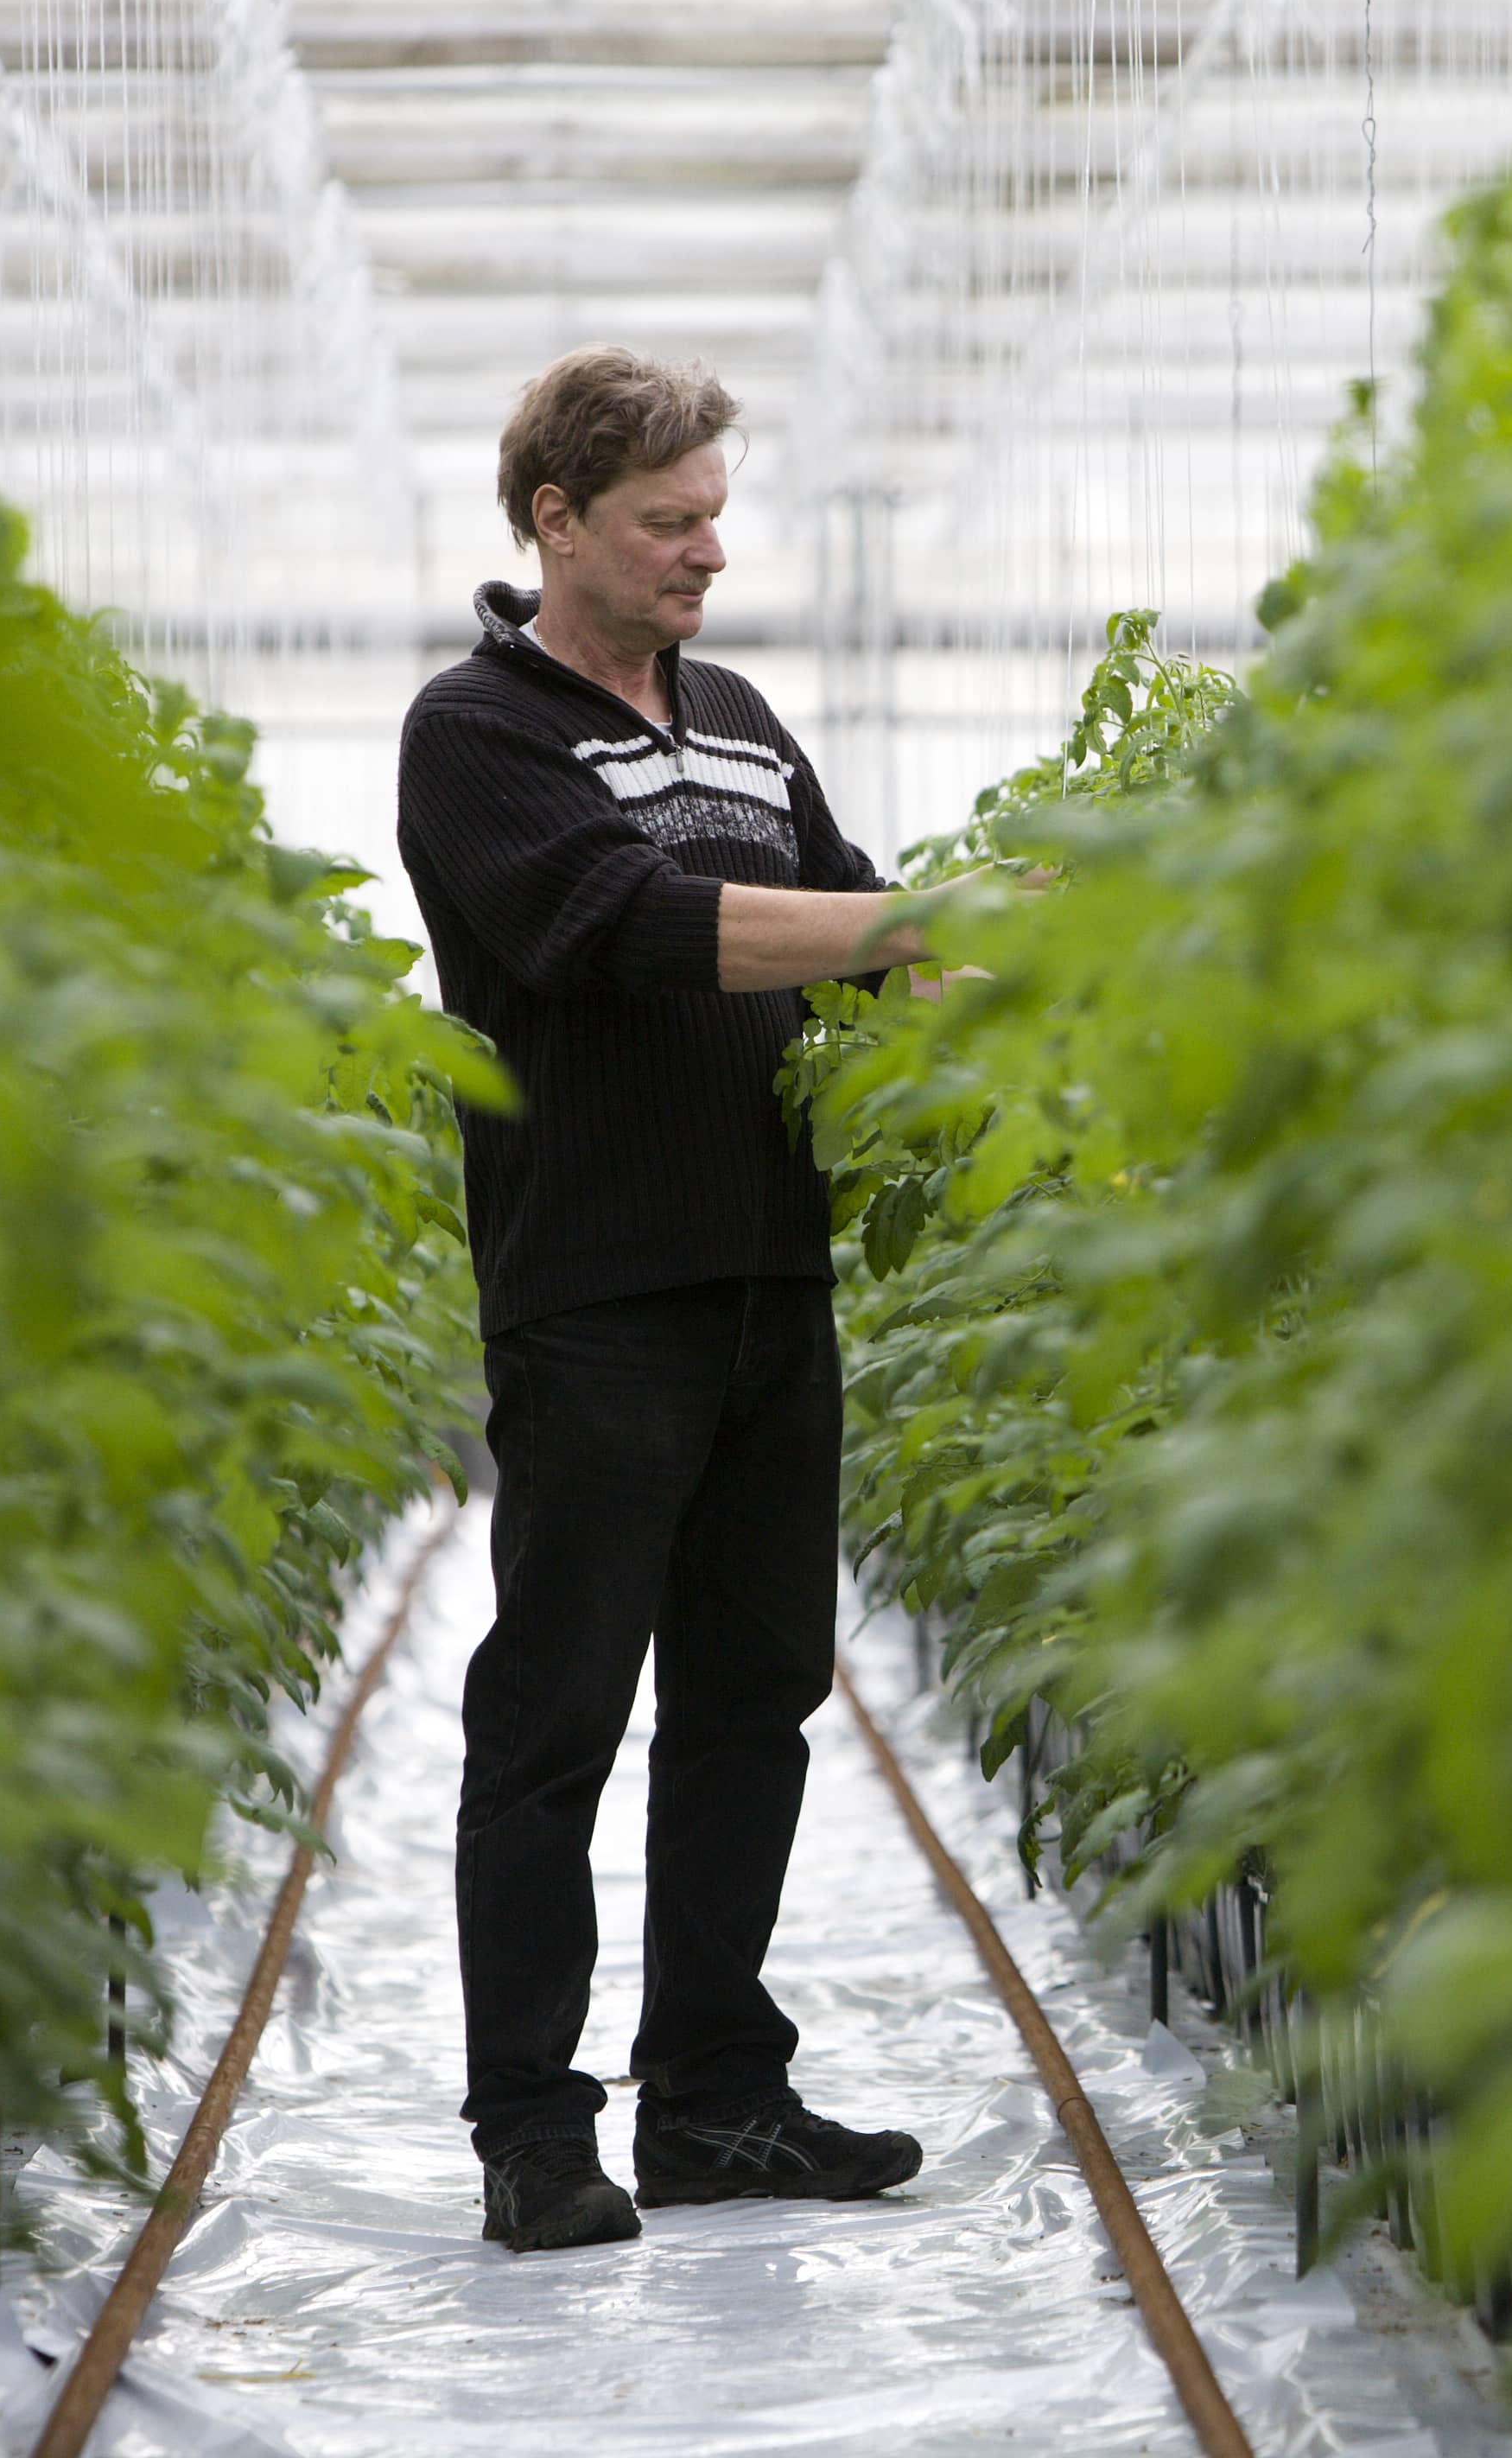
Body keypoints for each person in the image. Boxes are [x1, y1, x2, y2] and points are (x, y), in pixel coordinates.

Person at [397, 347, 930, 2253]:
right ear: (555, 521)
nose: (712, 548)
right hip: (598, 1293)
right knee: (553, 1714)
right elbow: (616, 929)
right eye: (668, 521)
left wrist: (1017, 957)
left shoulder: (743, 720)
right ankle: (535, 2130)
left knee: (753, 1704)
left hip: (773, 1287)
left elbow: (860, 921)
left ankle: (717, 2100)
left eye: (716, 512)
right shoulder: (475, 731)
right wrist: (901, 927)